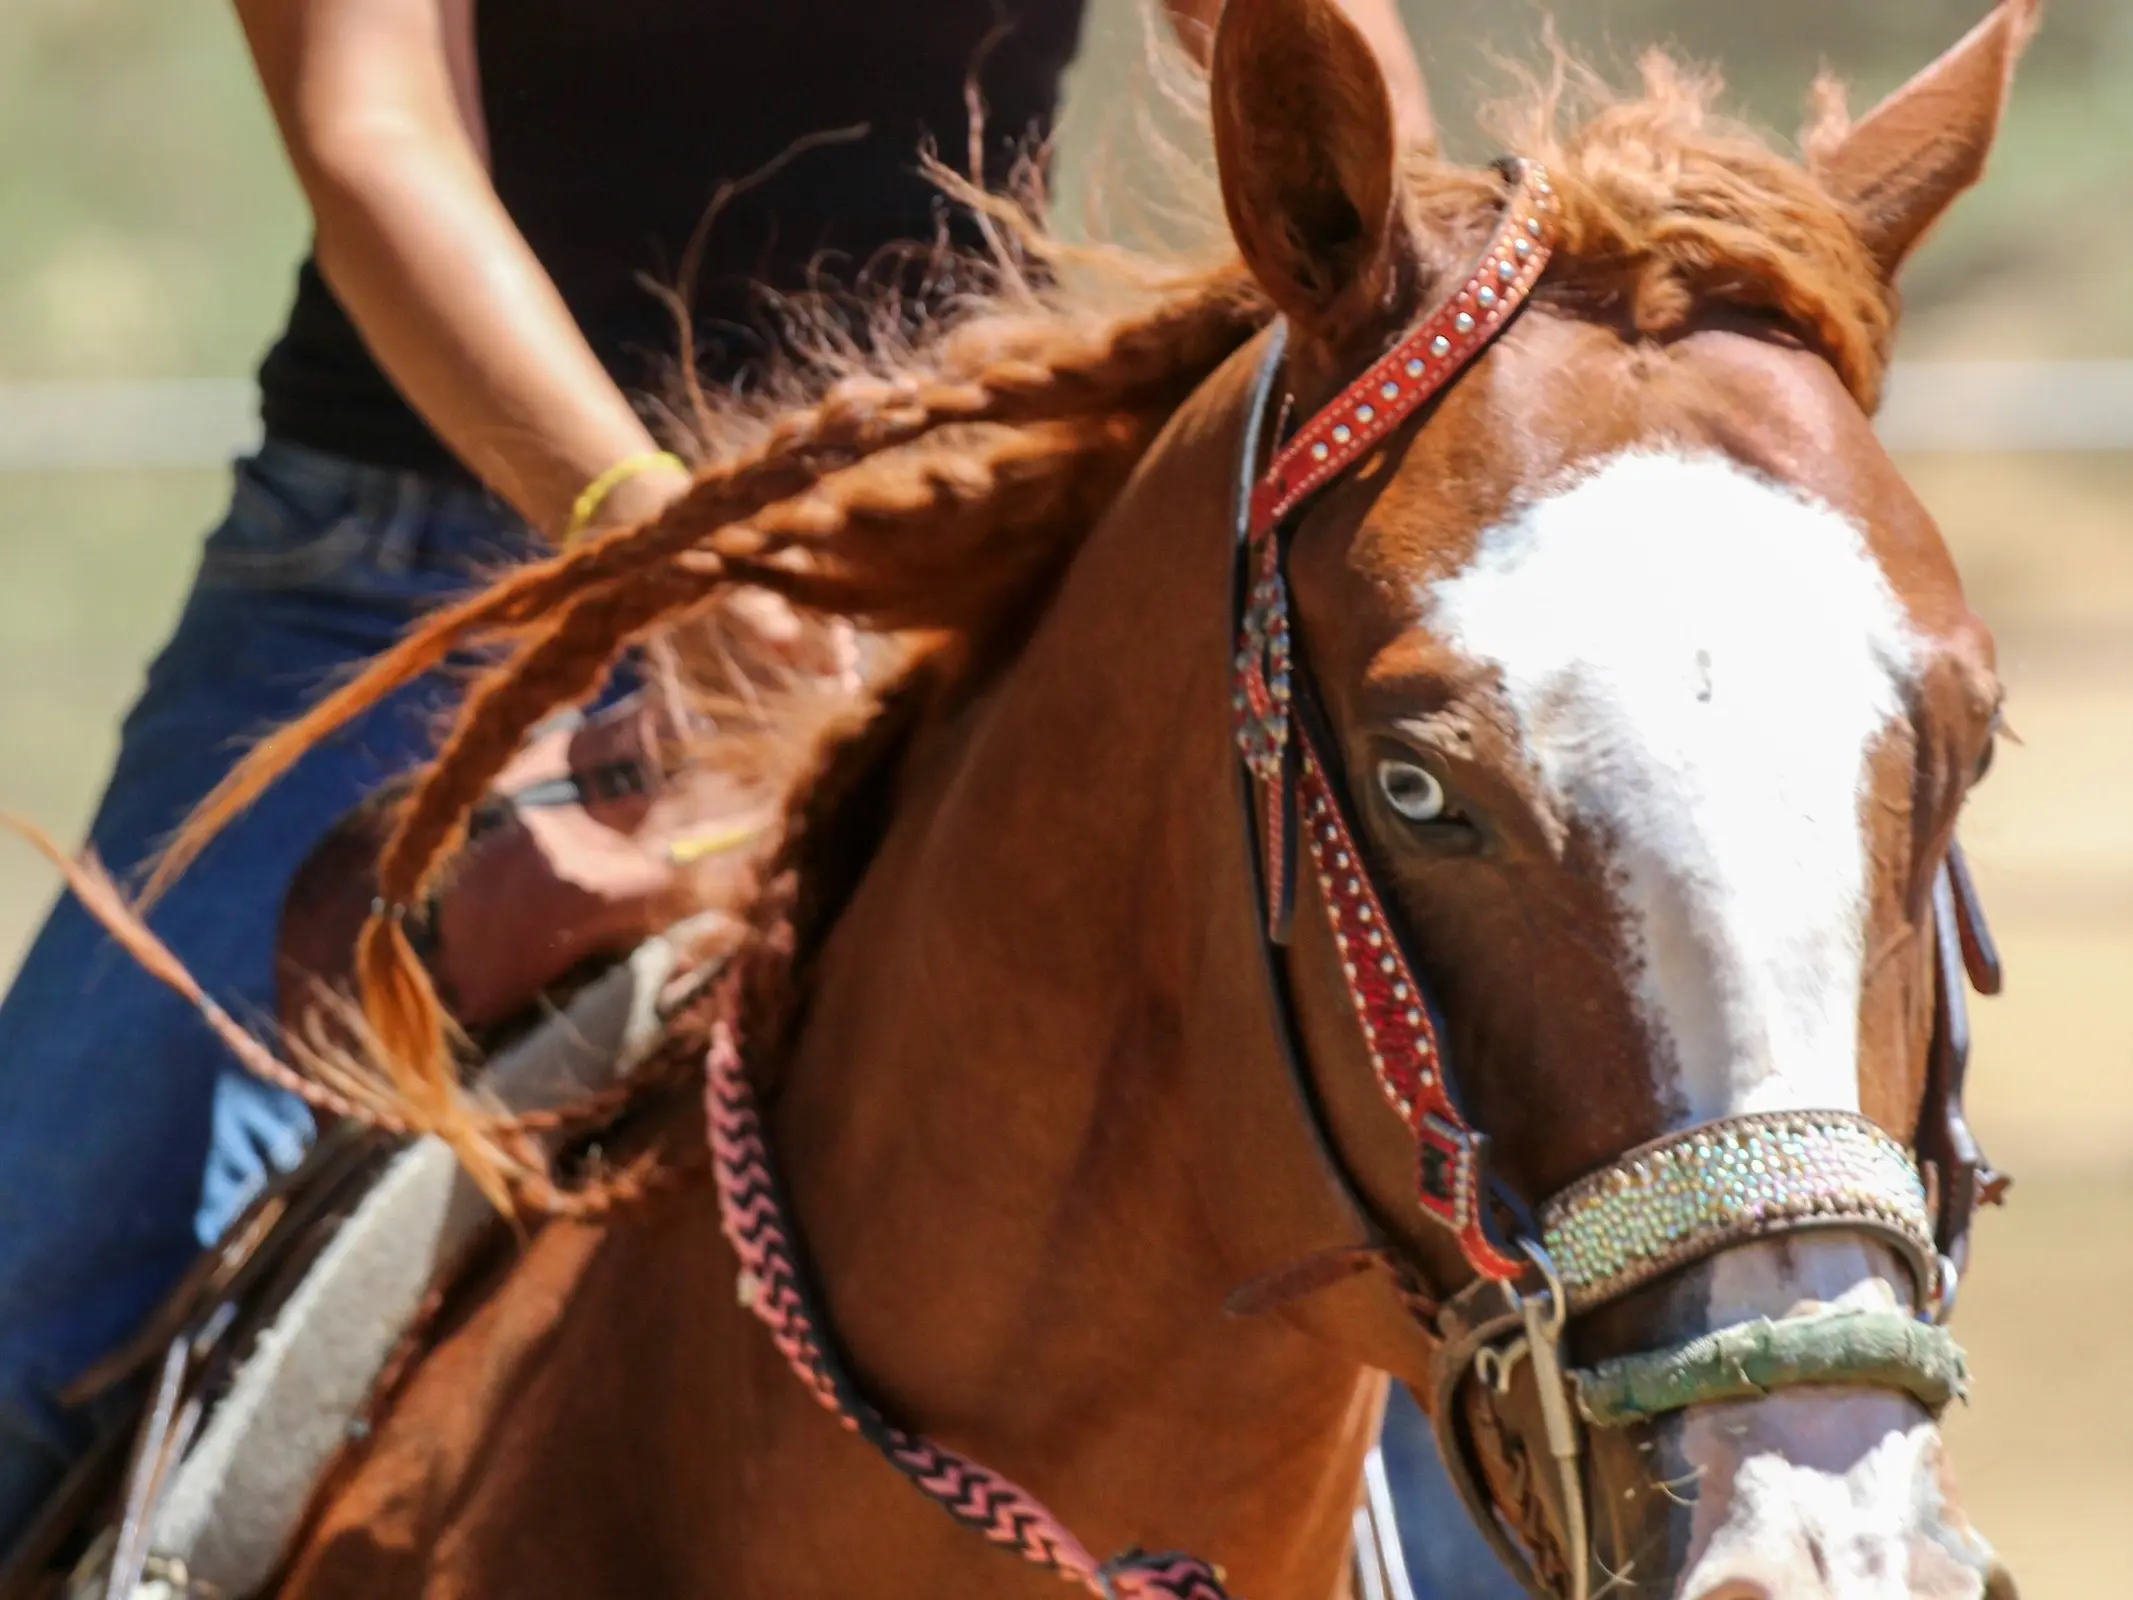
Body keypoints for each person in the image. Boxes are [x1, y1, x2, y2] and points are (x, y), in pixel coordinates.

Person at [0, 0, 1512, 1588]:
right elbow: (376, 136)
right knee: (37, 1315)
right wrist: (664, 545)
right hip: (415, 574)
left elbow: (1325, 91)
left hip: (939, 540)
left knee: (1470, 1265)